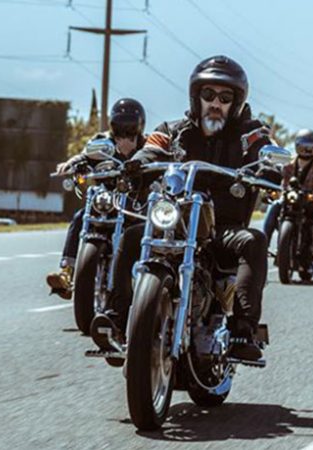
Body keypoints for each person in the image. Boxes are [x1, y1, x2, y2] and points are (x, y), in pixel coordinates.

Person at [111, 55, 279, 361]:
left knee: (254, 241)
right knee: (132, 236)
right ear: (195, 96)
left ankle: (243, 329)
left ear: (236, 103)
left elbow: (265, 149)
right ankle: (116, 320)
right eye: (209, 94)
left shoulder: (249, 133)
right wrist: (136, 165)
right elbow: (152, 149)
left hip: (223, 229)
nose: (215, 103)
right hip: (178, 221)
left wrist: (269, 168)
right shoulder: (172, 129)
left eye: (225, 98)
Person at [45, 98, 147, 299]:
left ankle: (147, 278)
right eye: (120, 128)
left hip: (135, 205)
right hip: (106, 201)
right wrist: (71, 164)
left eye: (130, 129)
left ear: (139, 127)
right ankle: (67, 272)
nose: (124, 135)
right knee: (80, 217)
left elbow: (161, 158)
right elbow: (85, 156)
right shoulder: (103, 142)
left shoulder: (147, 146)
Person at [261, 129, 313, 259]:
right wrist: (271, 187)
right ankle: (263, 244)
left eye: (310, 146)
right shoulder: (289, 163)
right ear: (297, 146)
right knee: (274, 206)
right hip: (292, 196)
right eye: (303, 145)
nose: (306, 149)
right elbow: (280, 177)